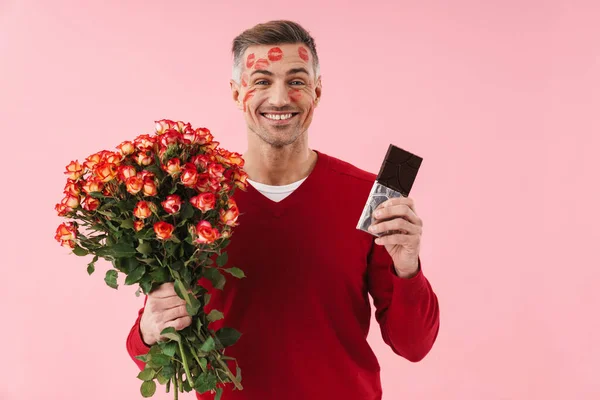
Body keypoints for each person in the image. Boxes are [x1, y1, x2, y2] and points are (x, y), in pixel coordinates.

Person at [126, 20, 440, 400]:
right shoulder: (188, 204)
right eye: (261, 81)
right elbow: (150, 353)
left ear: (317, 91)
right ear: (236, 91)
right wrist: (149, 329)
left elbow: (414, 345)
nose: (279, 98)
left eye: (296, 81)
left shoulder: (372, 198)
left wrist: (407, 268)